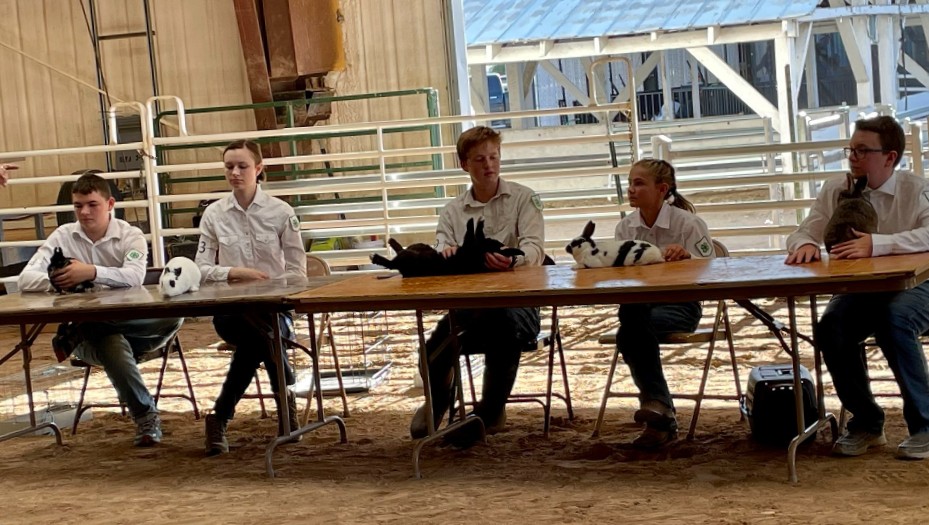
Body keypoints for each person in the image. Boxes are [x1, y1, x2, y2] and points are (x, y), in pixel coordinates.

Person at [786, 115, 929, 459]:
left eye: (862, 150)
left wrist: (877, 244)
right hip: (865, 289)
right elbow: (805, 230)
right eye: (851, 149)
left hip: (921, 283)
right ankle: (866, 422)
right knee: (831, 327)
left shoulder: (916, 189)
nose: (853, 157)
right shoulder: (836, 188)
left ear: (890, 157)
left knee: (895, 320)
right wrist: (803, 244)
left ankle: (925, 425)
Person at [18, 173, 182, 447]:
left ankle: (101, 331)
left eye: (91, 204)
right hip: (95, 338)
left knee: (171, 314)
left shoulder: (131, 236)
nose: (83, 212)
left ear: (110, 204)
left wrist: (90, 273)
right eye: (78, 205)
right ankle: (145, 415)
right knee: (110, 341)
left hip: (132, 327)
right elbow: (25, 278)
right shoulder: (62, 237)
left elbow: (134, 276)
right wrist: (59, 280)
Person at [410, 125, 544, 447]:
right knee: (434, 346)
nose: (489, 165)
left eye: (494, 157)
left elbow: (536, 248)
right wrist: (447, 253)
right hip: (469, 307)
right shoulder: (452, 211)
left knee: (503, 325)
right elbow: (442, 244)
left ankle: (489, 411)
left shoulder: (525, 198)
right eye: (480, 159)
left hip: (519, 302)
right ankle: (439, 399)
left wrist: (515, 260)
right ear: (464, 165)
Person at [196, 139, 307, 456]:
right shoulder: (214, 215)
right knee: (263, 336)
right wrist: (232, 273)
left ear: (258, 169)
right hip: (231, 311)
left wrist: (273, 288)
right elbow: (201, 268)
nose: (234, 172)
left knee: (256, 339)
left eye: (242, 166)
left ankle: (219, 417)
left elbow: (298, 271)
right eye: (229, 166)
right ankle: (286, 403)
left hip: (275, 309)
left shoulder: (281, 212)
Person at [614, 158, 715, 449]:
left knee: (629, 331)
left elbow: (713, 268)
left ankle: (660, 409)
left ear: (662, 189)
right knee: (633, 318)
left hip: (680, 305)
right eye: (630, 182)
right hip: (641, 305)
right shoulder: (625, 227)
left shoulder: (689, 224)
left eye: (639, 183)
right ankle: (659, 409)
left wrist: (688, 259)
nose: (631, 189)